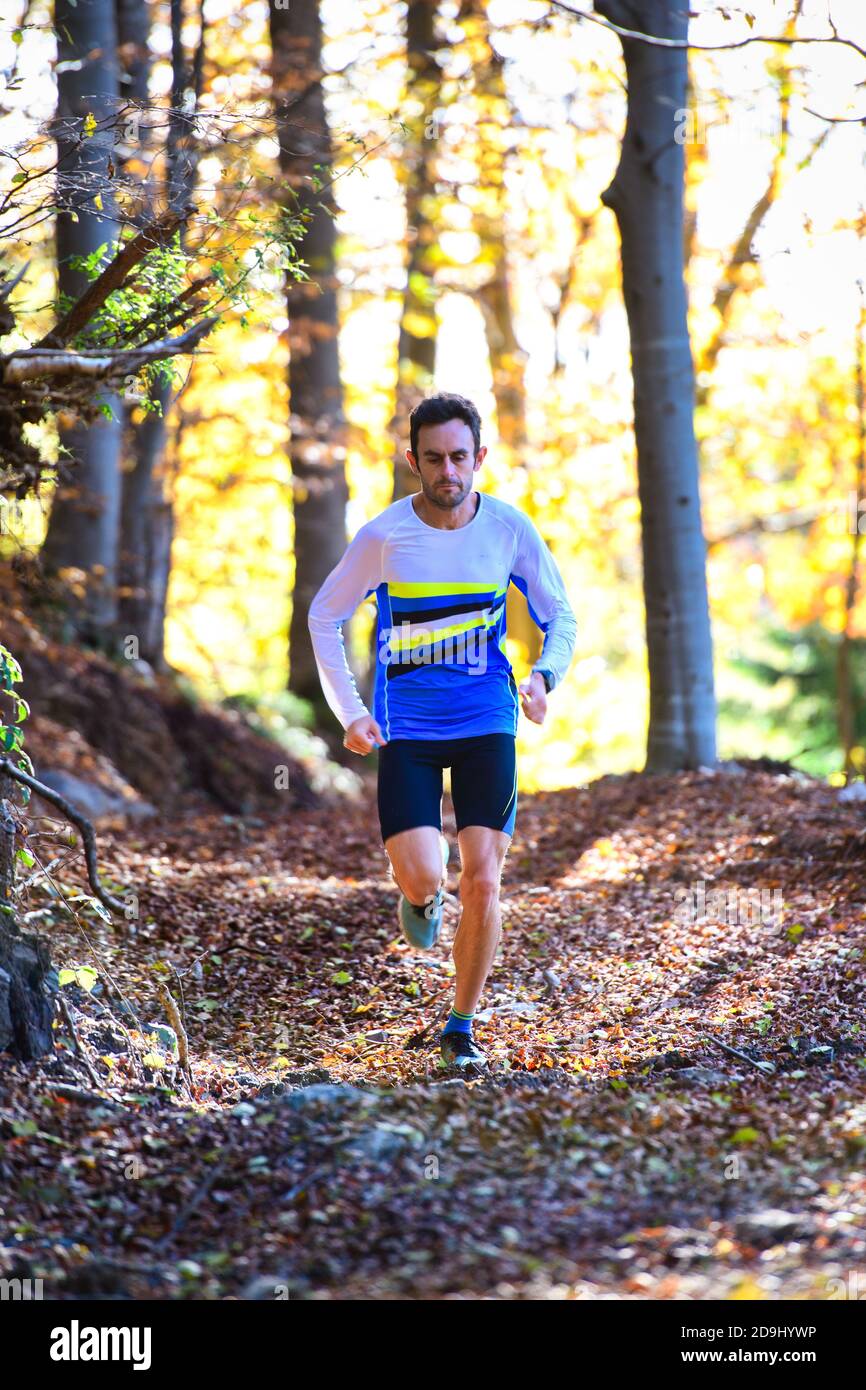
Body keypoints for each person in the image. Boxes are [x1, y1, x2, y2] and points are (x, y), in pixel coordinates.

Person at [308, 393, 577, 1071]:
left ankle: (461, 1024)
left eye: (460, 457)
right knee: (428, 874)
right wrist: (351, 712)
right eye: (434, 458)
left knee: (484, 879)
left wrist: (544, 676)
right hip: (408, 724)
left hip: (487, 714)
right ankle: (420, 896)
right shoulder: (384, 537)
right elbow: (324, 615)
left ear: (479, 458)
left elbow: (561, 615)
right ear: (413, 461)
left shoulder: (509, 530)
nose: (448, 470)